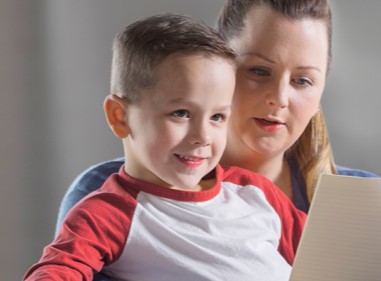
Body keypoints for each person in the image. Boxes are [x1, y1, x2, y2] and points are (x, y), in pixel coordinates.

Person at [24, 13, 306, 281]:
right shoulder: (108, 214)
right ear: (119, 117)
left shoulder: (255, 192)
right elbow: (57, 270)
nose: (202, 136)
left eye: (217, 117)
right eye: (181, 113)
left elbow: (327, 253)